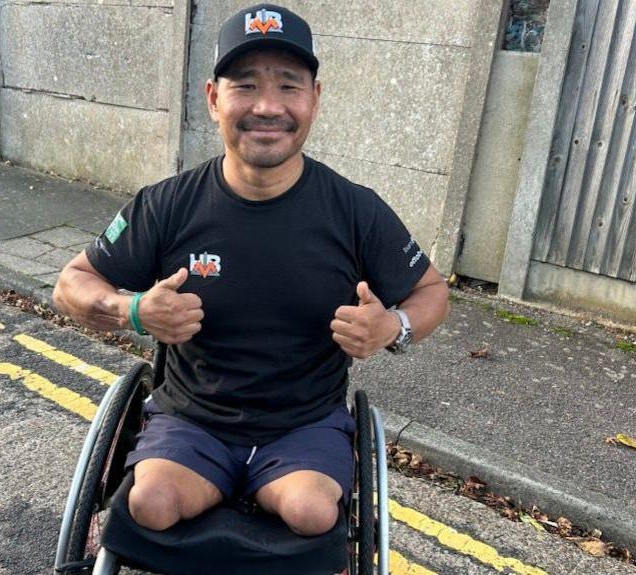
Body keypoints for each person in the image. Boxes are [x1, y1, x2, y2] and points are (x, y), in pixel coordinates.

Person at [53, 3, 449, 537]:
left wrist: (392, 328)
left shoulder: (355, 210)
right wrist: (133, 309)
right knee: (150, 502)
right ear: (214, 99)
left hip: (304, 426)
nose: (268, 106)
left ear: (314, 99)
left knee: (312, 513)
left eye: (289, 86)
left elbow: (430, 291)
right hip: (191, 422)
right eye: (245, 86)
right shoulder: (166, 205)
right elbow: (71, 284)